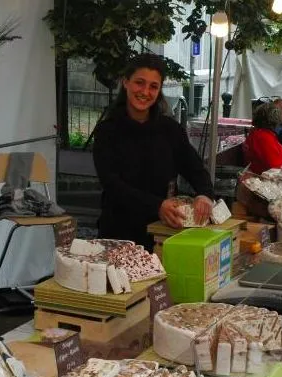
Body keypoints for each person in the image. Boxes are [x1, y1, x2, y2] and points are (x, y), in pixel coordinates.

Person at [92, 53, 214, 252]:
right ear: (126, 83)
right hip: (119, 235)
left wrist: (205, 194)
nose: (145, 91)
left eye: (153, 86)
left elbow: (195, 168)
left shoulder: (170, 130)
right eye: (139, 83)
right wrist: (157, 205)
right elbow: (112, 184)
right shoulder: (108, 131)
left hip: (164, 233)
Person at [243, 102, 282, 174]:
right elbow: (276, 168)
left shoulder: (259, 133)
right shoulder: (263, 137)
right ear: (275, 119)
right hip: (272, 179)